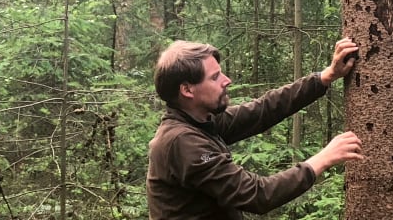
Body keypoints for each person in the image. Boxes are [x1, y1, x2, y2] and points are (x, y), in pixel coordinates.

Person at [146, 37, 363, 220]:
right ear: (187, 89)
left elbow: (262, 111)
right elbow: (258, 195)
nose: (227, 80)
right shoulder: (182, 142)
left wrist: (325, 77)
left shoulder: (201, 120)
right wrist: (324, 158)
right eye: (215, 77)